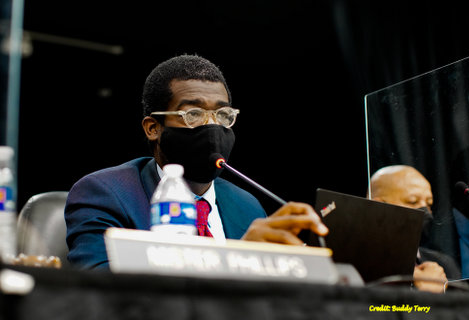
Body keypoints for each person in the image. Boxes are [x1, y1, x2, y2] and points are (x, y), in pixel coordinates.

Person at [65, 54, 328, 269]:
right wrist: (236, 261)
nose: (212, 127)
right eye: (193, 114)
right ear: (153, 128)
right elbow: (98, 289)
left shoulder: (247, 206)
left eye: (223, 115)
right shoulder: (106, 194)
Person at [370, 165, 461, 293]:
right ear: (378, 206)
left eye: (429, 204)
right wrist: (427, 294)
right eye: (412, 202)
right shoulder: (359, 263)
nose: (426, 212)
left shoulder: (445, 265)